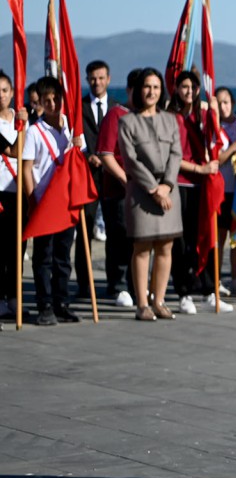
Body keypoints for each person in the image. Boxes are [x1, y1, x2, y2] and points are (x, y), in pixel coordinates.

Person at [117, 68, 183, 321]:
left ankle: (160, 301)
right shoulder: (127, 122)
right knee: (142, 247)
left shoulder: (170, 119)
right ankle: (142, 304)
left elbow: (176, 154)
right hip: (142, 193)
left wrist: (167, 184)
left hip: (169, 191)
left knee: (166, 246)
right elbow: (130, 159)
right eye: (147, 86)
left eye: (156, 87)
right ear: (138, 89)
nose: (151, 92)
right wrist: (154, 189)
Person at [23, 77, 85, 326]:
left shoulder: (71, 128)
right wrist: (32, 200)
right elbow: (27, 168)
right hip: (45, 200)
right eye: (46, 99)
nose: (51, 103)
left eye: (56, 98)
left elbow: (78, 163)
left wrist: (79, 145)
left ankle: (62, 302)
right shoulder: (34, 131)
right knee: (43, 256)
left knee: (63, 255)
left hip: (67, 199)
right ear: (39, 102)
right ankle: (45, 304)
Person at [169, 70, 224, 313]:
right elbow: (172, 156)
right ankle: (183, 292)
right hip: (181, 183)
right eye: (184, 86)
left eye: (192, 87)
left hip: (204, 186)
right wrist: (199, 169)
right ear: (177, 88)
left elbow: (215, 142)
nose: (188, 91)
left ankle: (209, 289)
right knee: (181, 242)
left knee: (206, 236)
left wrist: (215, 114)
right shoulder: (171, 117)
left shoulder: (203, 115)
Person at [96, 69, 139, 307]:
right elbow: (105, 153)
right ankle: (118, 284)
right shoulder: (116, 114)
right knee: (119, 238)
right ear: (129, 89)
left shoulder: (147, 116)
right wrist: (125, 179)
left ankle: (137, 284)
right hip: (118, 190)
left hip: (143, 190)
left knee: (140, 239)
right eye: (139, 88)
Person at [76, 60, 116, 300]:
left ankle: (114, 283)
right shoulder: (78, 108)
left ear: (108, 79)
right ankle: (84, 283)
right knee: (85, 231)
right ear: (86, 79)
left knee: (114, 231)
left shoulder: (116, 107)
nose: (97, 82)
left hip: (111, 178)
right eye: (92, 78)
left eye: (101, 78)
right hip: (87, 177)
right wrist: (87, 156)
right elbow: (73, 138)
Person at [212, 87, 236, 296]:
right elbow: (218, 158)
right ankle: (216, 280)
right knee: (220, 236)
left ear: (233, 103)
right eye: (219, 102)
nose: (223, 106)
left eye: (226, 102)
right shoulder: (214, 126)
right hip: (221, 189)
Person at [0, 71, 26, 318]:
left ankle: (14, 296)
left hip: (18, 192)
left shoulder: (20, 119)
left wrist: (25, 123)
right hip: (0, 193)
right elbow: (13, 150)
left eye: (5, 90)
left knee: (17, 248)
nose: (1, 95)